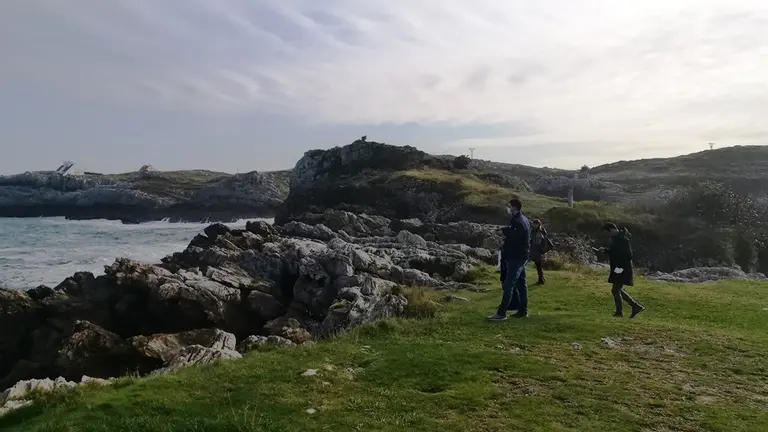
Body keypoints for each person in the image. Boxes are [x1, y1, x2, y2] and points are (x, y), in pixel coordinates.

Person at [488, 198, 530, 320]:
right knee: (521, 283)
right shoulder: (524, 219)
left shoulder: (518, 221)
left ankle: (501, 313)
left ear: (514, 208)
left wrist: (504, 231)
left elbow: (515, 237)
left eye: (509, 206)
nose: (508, 209)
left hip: (516, 257)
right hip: (522, 256)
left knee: (508, 284)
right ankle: (523, 310)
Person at [600, 222, 645, 318]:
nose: (607, 235)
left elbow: (628, 255)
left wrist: (620, 268)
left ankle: (620, 312)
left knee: (615, 290)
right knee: (617, 289)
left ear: (611, 230)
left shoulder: (623, 239)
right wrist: (606, 251)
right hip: (618, 268)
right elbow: (616, 252)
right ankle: (635, 306)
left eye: (607, 233)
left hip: (622, 269)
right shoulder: (616, 239)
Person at [530, 219, 553, 285]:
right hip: (536, 250)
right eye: (533, 224)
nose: (533, 225)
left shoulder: (539, 232)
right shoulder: (536, 230)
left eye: (534, 224)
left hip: (538, 251)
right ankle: (541, 278)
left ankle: (541, 279)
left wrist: (541, 250)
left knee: (538, 265)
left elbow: (540, 242)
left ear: (538, 224)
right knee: (538, 265)